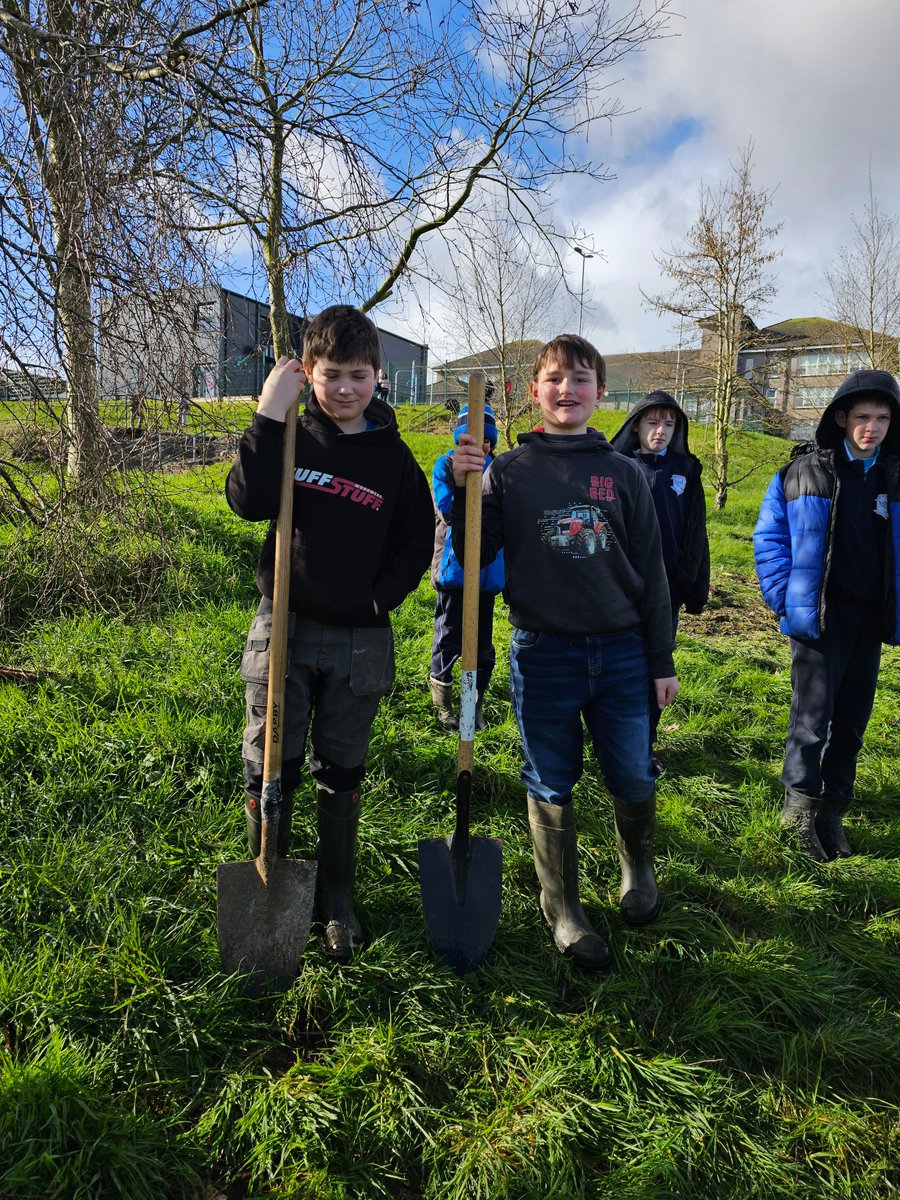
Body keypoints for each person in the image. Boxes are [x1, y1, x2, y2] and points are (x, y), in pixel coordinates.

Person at [451, 334, 678, 971]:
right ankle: (563, 907)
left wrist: (661, 659)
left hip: (623, 652)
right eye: (554, 379)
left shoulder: (625, 474)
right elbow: (473, 551)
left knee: (632, 771)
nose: (567, 390)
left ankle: (637, 865)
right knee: (551, 779)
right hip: (543, 653)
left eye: (581, 380)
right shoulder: (509, 474)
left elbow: (653, 573)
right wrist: (461, 484)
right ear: (534, 392)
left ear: (601, 393)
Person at [225, 305, 434, 962]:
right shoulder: (289, 436)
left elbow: (415, 539)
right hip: (283, 623)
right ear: (309, 373)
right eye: (331, 374)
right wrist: (267, 414)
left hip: (358, 639)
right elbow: (247, 502)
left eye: (358, 375)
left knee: (341, 769)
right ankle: (269, 879)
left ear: (378, 377)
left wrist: (379, 597)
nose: (345, 388)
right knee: (270, 762)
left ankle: (336, 899)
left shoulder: (394, 460)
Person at [753, 369, 900, 862]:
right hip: (818, 620)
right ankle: (797, 812)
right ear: (841, 417)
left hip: (870, 621)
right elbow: (769, 541)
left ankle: (832, 812)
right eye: (862, 417)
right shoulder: (802, 472)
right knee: (811, 721)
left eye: (882, 418)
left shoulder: (894, 476)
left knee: (854, 722)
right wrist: (784, 598)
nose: (871, 427)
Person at [610, 390, 709, 772]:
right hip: (621, 587)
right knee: (620, 667)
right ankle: (613, 738)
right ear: (635, 424)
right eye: (653, 422)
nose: (661, 431)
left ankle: (646, 743)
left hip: (666, 588)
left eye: (669, 424)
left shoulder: (685, 470)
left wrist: (695, 583)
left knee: (658, 666)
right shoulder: (617, 466)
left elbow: (696, 530)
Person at [429, 402, 505, 732]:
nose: (482, 446)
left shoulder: (498, 470)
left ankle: (473, 703)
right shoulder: (446, 465)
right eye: (474, 438)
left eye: (488, 440)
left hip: (488, 574)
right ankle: (443, 703)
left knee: (482, 647)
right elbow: (446, 508)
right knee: (449, 638)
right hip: (454, 572)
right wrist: (464, 485)